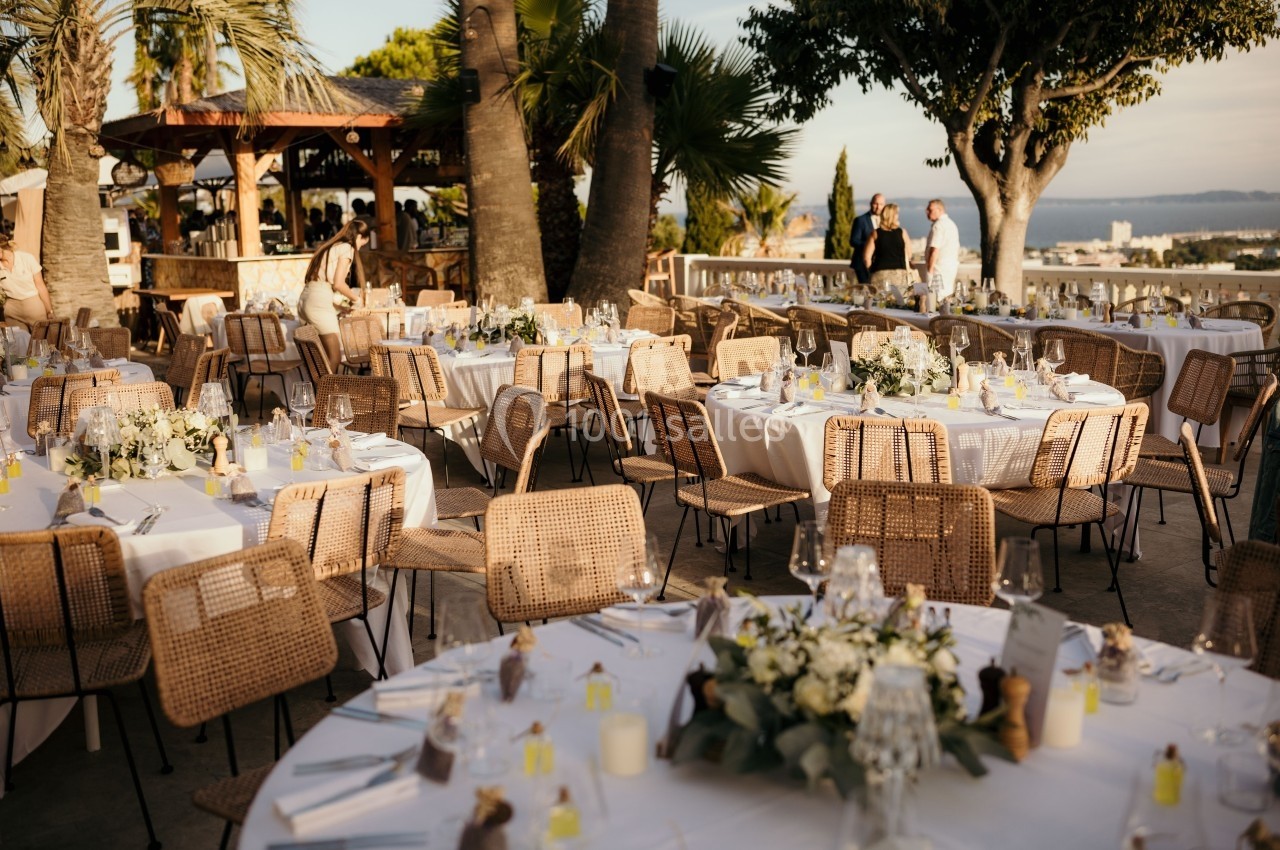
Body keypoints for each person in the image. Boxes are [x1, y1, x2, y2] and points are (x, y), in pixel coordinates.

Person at [297, 220, 369, 367]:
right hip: (317, 301)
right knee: (335, 357)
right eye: (363, 243)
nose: (360, 248)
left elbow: (319, 288)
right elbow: (338, 283)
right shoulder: (346, 248)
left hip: (306, 298)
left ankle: (320, 389)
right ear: (359, 237)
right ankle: (326, 390)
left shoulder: (331, 246)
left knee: (321, 359)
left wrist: (340, 308)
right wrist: (356, 299)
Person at [0, 234, 56, 331]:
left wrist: (49, 310)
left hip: (34, 308)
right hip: (12, 313)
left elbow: (41, 286)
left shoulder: (26, 258)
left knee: (42, 341)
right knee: (18, 344)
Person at [862, 203, 913, 290]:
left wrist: (872, 271)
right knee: (898, 302)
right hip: (899, 275)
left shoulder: (875, 233)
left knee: (878, 302)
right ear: (893, 216)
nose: (898, 216)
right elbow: (909, 254)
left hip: (879, 274)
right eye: (896, 214)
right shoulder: (902, 233)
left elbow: (866, 258)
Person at [923, 198, 960, 297]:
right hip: (950, 268)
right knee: (946, 297)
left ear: (940, 210)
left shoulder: (938, 226)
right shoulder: (951, 224)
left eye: (930, 210)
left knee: (935, 299)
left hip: (939, 269)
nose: (927, 212)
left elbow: (934, 250)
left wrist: (929, 272)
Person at [849, 193, 885, 284]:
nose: (878, 207)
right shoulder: (860, 220)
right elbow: (853, 241)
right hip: (862, 265)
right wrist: (870, 245)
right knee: (867, 291)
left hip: (879, 264)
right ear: (871, 204)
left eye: (881, 204)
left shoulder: (885, 221)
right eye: (876, 204)